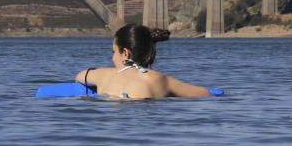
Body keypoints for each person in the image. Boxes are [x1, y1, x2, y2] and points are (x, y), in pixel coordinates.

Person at [75, 23, 213, 99]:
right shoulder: (162, 80)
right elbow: (206, 94)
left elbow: (79, 76)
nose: (112, 57)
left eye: (113, 52)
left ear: (125, 53)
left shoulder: (103, 75)